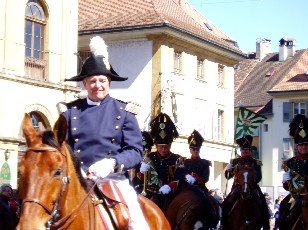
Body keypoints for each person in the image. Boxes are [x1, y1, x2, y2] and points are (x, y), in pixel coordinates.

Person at [62, 36, 149, 229]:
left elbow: (135, 151)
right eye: (92, 81)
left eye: (102, 80)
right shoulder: (70, 112)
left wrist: (112, 163)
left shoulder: (124, 112)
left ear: (109, 82)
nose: (97, 85)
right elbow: (61, 148)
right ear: (84, 83)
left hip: (113, 179)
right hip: (78, 180)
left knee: (137, 223)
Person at [137, 112, 185, 213]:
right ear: (156, 146)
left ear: (170, 146)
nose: (163, 149)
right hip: (150, 193)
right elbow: (141, 179)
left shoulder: (178, 160)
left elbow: (179, 179)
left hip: (170, 195)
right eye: (161, 147)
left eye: (166, 147)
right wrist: (141, 172)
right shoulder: (149, 157)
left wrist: (169, 187)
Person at [220, 135, 270, 230]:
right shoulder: (235, 162)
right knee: (226, 203)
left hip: (252, 187)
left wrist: (250, 181)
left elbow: (259, 177)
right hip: (238, 187)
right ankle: (223, 224)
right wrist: (228, 170)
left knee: (263, 203)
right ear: (240, 151)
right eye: (243, 150)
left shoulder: (255, 162)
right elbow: (228, 176)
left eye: (246, 150)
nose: (244, 152)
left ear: (250, 151)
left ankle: (266, 226)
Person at [278, 114, 308, 230]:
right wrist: (288, 183)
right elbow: (286, 184)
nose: (304, 147)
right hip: (297, 196)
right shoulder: (290, 163)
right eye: (301, 145)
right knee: (283, 208)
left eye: (306, 145)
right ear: (297, 147)